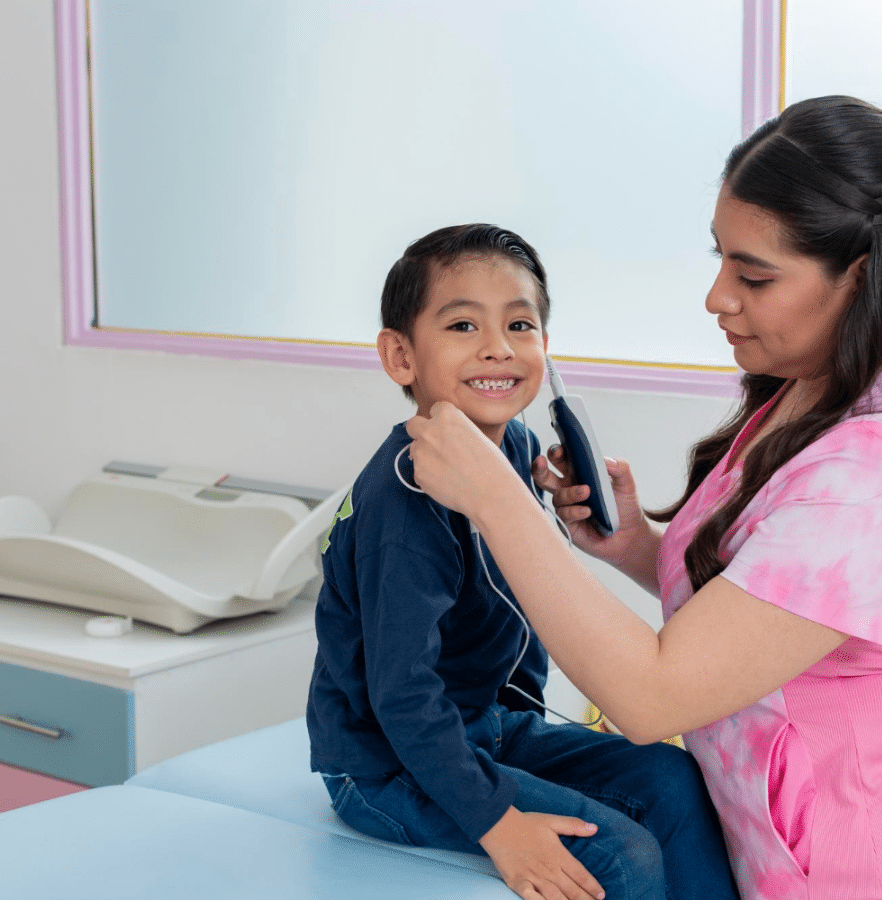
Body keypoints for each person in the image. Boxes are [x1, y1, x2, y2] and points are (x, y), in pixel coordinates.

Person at [403, 98, 882, 900]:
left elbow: (652, 696)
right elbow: (779, 603)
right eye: (721, 260)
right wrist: (636, 547)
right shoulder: (813, 387)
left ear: (863, 275)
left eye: (753, 275)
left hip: (877, 874)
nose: (718, 297)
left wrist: (496, 501)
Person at [307, 223, 739, 900]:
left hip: (491, 727)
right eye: (461, 326)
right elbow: (403, 699)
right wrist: (498, 823)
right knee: (620, 855)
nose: (498, 349)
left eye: (520, 324)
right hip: (390, 764)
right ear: (400, 355)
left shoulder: (514, 449)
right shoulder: (403, 500)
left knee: (672, 780)